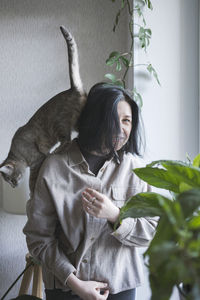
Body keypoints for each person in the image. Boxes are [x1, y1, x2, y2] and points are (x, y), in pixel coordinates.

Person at [23, 83, 158, 300]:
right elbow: (39, 238)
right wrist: (75, 283)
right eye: (113, 120)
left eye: (126, 121)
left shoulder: (137, 171)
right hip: (66, 289)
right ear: (95, 119)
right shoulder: (55, 167)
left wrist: (116, 216)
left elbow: (152, 230)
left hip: (120, 288)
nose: (121, 129)